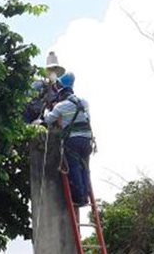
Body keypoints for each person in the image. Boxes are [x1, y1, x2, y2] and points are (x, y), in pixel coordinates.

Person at [42, 72, 93, 206]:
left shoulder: (61, 106)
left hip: (73, 140)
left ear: (61, 90)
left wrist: (47, 110)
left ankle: (79, 198)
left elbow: (48, 120)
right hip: (87, 140)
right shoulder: (84, 102)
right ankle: (85, 196)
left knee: (74, 167)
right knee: (84, 168)